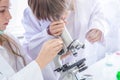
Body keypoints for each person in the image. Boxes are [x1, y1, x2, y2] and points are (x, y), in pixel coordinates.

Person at [22, 0, 107, 80]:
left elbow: (98, 12)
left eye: (61, 15)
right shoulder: (33, 11)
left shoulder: (85, 2)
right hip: (49, 72)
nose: (61, 18)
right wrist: (47, 34)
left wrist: (97, 27)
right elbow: (29, 48)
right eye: (53, 17)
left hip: (81, 59)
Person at [0, 0, 63, 80]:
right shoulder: (29, 14)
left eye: (9, 9)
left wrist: (55, 56)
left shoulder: (9, 39)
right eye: (2, 10)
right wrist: (40, 61)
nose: (9, 16)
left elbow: (27, 65)